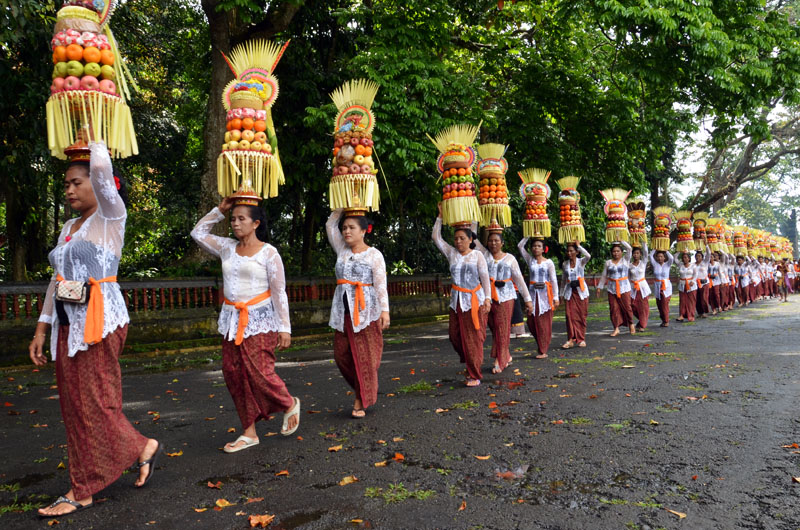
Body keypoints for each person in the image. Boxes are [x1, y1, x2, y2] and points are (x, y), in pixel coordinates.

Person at [29, 141, 160, 517]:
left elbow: (102, 173)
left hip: (100, 322)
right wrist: (42, 328)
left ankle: (83, 488)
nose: (68, 189)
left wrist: (96, 138)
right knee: (75, 405)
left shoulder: (110, 216)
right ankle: (138, 448)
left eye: (75, 182)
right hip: (68, 324)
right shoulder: (70, 227)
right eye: (66, 184)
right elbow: (58, 282)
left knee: (95, 402)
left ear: (97, 183)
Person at [191, 195, 300, 450]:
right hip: (231, 320)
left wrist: (285, 328)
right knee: (233, 374)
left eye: (242, 219)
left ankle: (288, 403)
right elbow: (198, 232)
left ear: (256, 223)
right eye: (233, 219)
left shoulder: (269, 253)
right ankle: (249, 432)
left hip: (260, 320)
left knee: (260, 372)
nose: (235, 224)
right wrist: (220, 210)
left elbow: (279, 291)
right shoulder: (227, 247)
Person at [325, 209, 390, 416]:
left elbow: (380, 284)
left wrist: (385, 311)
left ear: (364, 231)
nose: (346, 231)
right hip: (343, 311)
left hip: (366, 313)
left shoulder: (374, 254)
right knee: (341, 354)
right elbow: (329, 225)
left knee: (365, 358)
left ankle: (360, 398)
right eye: (344, 227)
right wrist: (342, 208)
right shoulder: (342, 250)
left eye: (352, 227)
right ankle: (365, 387)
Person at [433, 207, 491, 386]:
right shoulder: (452, 254)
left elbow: (485, 278)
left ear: (471, 239)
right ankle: (470, 362)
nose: (458, 242)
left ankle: (475, 375)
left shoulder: (477, 255)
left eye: (462, 238)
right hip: (456, 302)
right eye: (456, 238)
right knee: (455, 336)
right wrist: (440, 217)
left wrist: (487, 298)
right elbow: (436, 238)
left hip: (475, 302)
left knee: (473, 338)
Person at [475, 229, 533, 372]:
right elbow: (473, 238)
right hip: (488, 297)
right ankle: (505, 355)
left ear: (502, 243)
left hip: (506, 297)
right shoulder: (483, 255)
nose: (493, 243)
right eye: (490, 240)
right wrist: (474, 218)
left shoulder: (510, 259)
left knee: (503, 328)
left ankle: (500, 361)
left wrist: (528, 300)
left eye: (496, 241)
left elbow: (519, 280)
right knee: (494, 328)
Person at [518, 237, 560, 357]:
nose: (536, 248)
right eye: (534, 246)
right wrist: (527, 235)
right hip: (532, 295)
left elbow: (553, 280)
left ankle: (543, 349)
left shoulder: (549, 263)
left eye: (539, 246)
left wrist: (556, 297)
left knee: (544, 323)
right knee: (531, 321)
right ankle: (540, 344)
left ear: (543, 249)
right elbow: (520, 247)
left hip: (545, 296)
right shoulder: (530, 260)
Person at [596, 241, 635, 336]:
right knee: (613, 308)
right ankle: (616, 328)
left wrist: (621, 240)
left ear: (622, 252)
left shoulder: (625, 260)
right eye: (614, 251)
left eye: (618, 251)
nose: (616, 253)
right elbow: (604, 276)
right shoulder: (608, 263)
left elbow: (629, 248)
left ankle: (631, 324)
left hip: (624, 287)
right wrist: (599, 287)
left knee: (627, 307)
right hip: (611, 288)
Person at [560, 242, 591, 348]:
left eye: (571, 251)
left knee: (581, 315)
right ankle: (570, 339)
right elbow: (564, 280)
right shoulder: (565, 264)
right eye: (567, 251)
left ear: (576, 252)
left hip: (581, 291)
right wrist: (561, 294)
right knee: (569, 316)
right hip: (569, 291)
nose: (569, 253)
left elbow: (588, 256)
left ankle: (581, 338)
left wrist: (579, 246)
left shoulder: (581, 262)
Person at [629, 241, 651, 331]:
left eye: (637, 253)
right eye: (634, 253)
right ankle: (641, 321)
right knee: (633, 306)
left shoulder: (643, 263)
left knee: (643, 306)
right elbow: (628, 277)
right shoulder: (629, 265)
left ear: (640, 254)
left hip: (643, 287)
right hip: (633, 288)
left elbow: (646, 253)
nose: (636, 255)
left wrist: (644, 243)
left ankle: (642, 325)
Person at [649, 248, 674, 327]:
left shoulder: (667, 264)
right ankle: (663, 320)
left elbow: (672, 258)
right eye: (658, 256)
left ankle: (666, 320)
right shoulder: (655, 264)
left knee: (664, 303)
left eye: (661, 256)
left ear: (664, 257)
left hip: (666, 286)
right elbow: (650, 255)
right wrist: (655, 248)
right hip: (657, 286)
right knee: (659, 304)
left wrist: (665, 250)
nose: (660, 258)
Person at [676, 251, 698, 322]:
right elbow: (674, 258)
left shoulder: (693, 265)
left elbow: (695, 274)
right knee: (682, 300)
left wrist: (693, 281)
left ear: (689, 258)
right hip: (682, 284)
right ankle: (682, 315)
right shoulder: (680, 265)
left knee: (691, 301)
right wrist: (679, 251)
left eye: (686, 257)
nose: (684, 259)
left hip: (691, 285)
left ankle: (691, 315)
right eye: (683, 257)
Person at [694, 244, 711, 317]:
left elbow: (709, 253)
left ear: (702, 257)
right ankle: (700, 312)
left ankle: (705, 311)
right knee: (697, 298)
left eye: (699, 256)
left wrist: (706, 245)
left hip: (704, 283)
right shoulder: (693, 264)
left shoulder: (705, 263)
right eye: (696, 256)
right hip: (695, 283)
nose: (697, 257)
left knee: (704, 298)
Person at [707, 250, 722, 315]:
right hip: (710, 280)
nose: (710, 258)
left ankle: (719, 306)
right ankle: (713, 309)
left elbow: (720, 272)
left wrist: (722, 281)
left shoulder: (717, 264)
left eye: (712, 257)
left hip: (716, 280)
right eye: (709, 257)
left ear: (714, 258)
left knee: (716, 294)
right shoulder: (707, 264)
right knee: (711, 295)